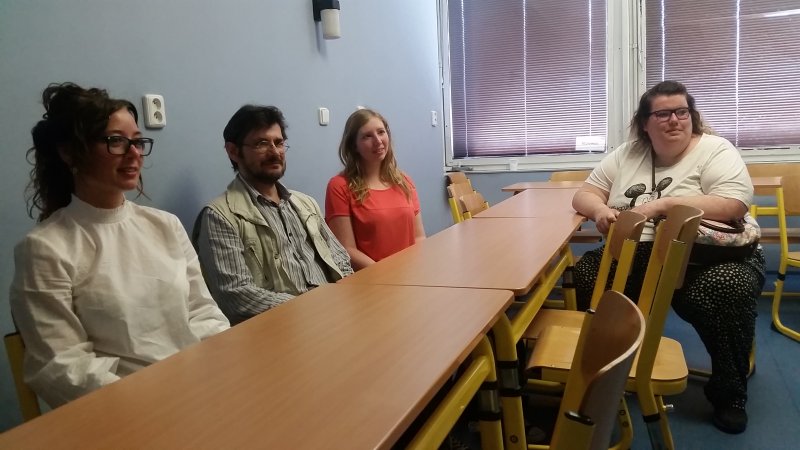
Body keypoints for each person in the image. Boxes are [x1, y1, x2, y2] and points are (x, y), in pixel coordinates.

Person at [10, 83, 229, 408]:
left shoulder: (165, 225)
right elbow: (61, 366)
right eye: (116, 141)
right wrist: (152, 400)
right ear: (69, 153)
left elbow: (204, 312)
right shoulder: (45, 249)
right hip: (124, 411)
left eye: (137, 141)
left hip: (199, 390)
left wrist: (208, 374)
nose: (134, 153)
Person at [572, 80, 765, 434]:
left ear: (692, 116)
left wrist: (663, 205)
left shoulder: (715, 149)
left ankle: (730, 393)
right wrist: (599, 210)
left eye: (682, 112)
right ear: (645, 123)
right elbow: (584, 194)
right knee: (587, 273)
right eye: (662, 114)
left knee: (729, 289)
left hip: (707, 257)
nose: (674, 120)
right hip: (641, 251)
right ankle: (611, 370)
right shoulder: (627, 154)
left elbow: (734, 204)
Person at [195, 105, 353, 325]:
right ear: (233, 151)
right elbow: (236, 295)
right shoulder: (219, 216)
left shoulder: (305, 203)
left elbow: (341, 260)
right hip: (283, 328)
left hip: (333, 315)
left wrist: (346, 300)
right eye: (261, 143)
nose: (275, 152)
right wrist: (310, 307)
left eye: (278, 143)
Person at [325, 109, 426, 270]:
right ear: (354, 145)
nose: (378, 141)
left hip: (409, 273)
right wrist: (385, 274)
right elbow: (346, 249)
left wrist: (410, 270)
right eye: (367, 136)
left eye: (381, 132)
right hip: (371, 278)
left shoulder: (404, 181)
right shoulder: (339, 186)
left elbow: (419, 237)